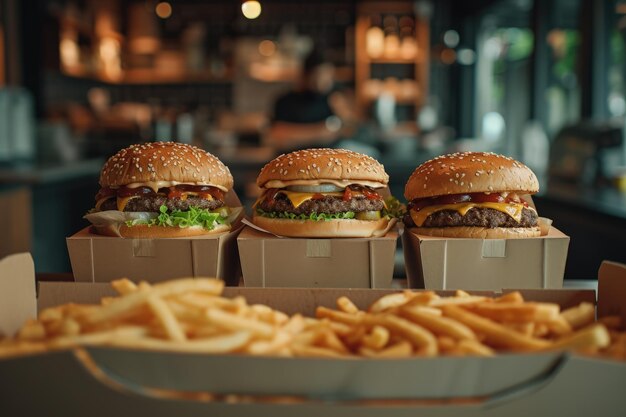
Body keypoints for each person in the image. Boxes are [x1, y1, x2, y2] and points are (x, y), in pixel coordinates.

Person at [265, 49, 355, 151]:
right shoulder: (287, 101)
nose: (321, 80)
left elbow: (351, 131)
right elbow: (277, 137)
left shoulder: (337, 97)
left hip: (332, 157)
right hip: (296, 158)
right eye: (317, 74)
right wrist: (319, 133)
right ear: (305, 75)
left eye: (326, 74)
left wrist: (344, 115)